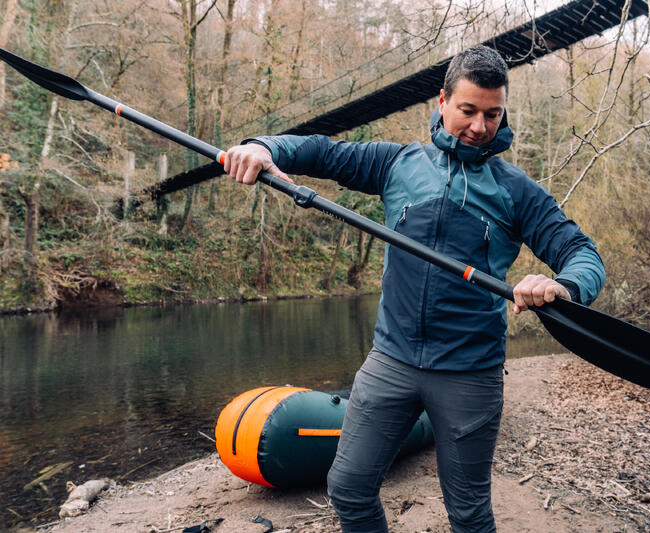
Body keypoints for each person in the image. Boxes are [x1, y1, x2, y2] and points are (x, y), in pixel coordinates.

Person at [224, 45, 605, 533]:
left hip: (470, 373)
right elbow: (322, 151)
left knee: (467, 512)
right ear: (443, 100)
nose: (480, 126)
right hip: (391, 362)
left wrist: (562, 285)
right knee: (348, 487)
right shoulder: (398, 165)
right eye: (468, 110)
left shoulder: (515, 190)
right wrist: (265, 147)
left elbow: (582, 254)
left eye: (493, 114)